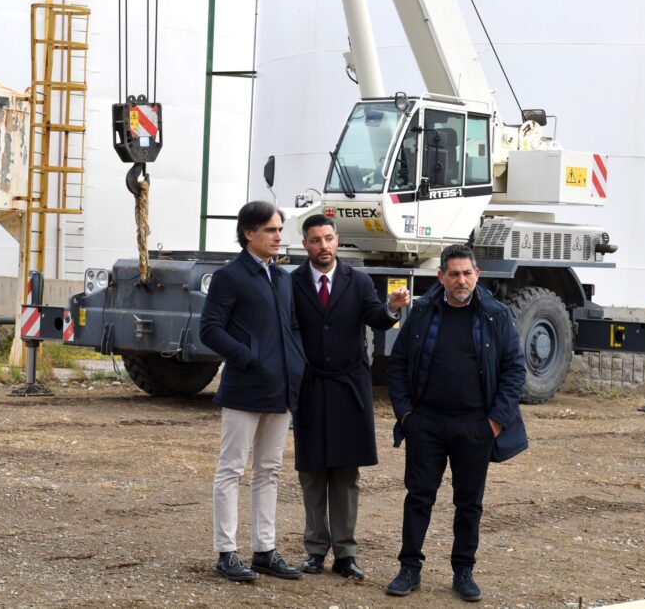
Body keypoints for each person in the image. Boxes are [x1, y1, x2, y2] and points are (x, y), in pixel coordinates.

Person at [385, 244, 528, 602]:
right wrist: (406, 416)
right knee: (419, 497)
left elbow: (514, 371)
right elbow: (398, 365)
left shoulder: (496, 315)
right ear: (441, 277)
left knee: (469, 503)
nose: (461, 280)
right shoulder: (421, 313)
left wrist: (494, 423)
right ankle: (409, 568)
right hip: (426, 425)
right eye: (453, 274)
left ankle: (463, 571)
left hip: (475, 427)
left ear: (477, 275)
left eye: (467, 273)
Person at [290, 214, 411, 581]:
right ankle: (314, 551)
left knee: (345, 472)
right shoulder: (291, 283)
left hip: (348, 388)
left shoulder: (357, 281)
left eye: (328, 238)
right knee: (311, 471)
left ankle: (345, 553)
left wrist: (392, 307)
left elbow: (376, 318)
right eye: (315, 240)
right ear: (306, 244)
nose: (323, 246)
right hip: (310, 385)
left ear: (337, 240)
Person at [199, 201, 306, 583]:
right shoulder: (230, 276)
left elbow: (292, 327)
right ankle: (226, 552)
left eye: (280, 230)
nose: (279, 236)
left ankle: (265, 550)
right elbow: (210, 329)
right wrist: (249, 358)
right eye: (272, 230)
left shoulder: (283, 279)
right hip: (244, 388)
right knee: (231, 469)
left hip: (281, 390)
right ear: (249, 233)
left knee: (269, 471)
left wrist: (296, 364)